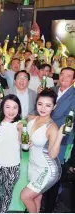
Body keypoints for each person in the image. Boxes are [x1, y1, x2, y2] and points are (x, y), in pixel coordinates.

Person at [21, 89, 66, 213]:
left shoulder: (52, 127)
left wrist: (60, 135)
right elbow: (21, 126)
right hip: (33, 165)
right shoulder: (32, 118)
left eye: (48, 105)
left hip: (47, 169)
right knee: (36, 197)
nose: (43, 108)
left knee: (25, 196)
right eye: (40, 104)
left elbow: (52, 154)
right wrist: (22, 137)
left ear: (54, 106)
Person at [44, 67, 75, 212]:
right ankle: (40, 202)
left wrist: (47, 115)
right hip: (44, 136)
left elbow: (69, 119)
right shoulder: (51, 89)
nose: (64, 78)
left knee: (55, 173)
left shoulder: (74, 95)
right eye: (62, 74)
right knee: (43, 169)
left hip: (61, 140)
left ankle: (50, 207)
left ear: (73, 80)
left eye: (68, 76)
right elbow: (40, 107)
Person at [0, 94, 23, 213]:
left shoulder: (19, 125)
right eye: (8, 107)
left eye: (15, 107)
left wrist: (23, 134)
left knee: (7, 194)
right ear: (2, 107)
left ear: (19, 110)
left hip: (13, 166)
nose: (11, 111)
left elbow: (23, 136)